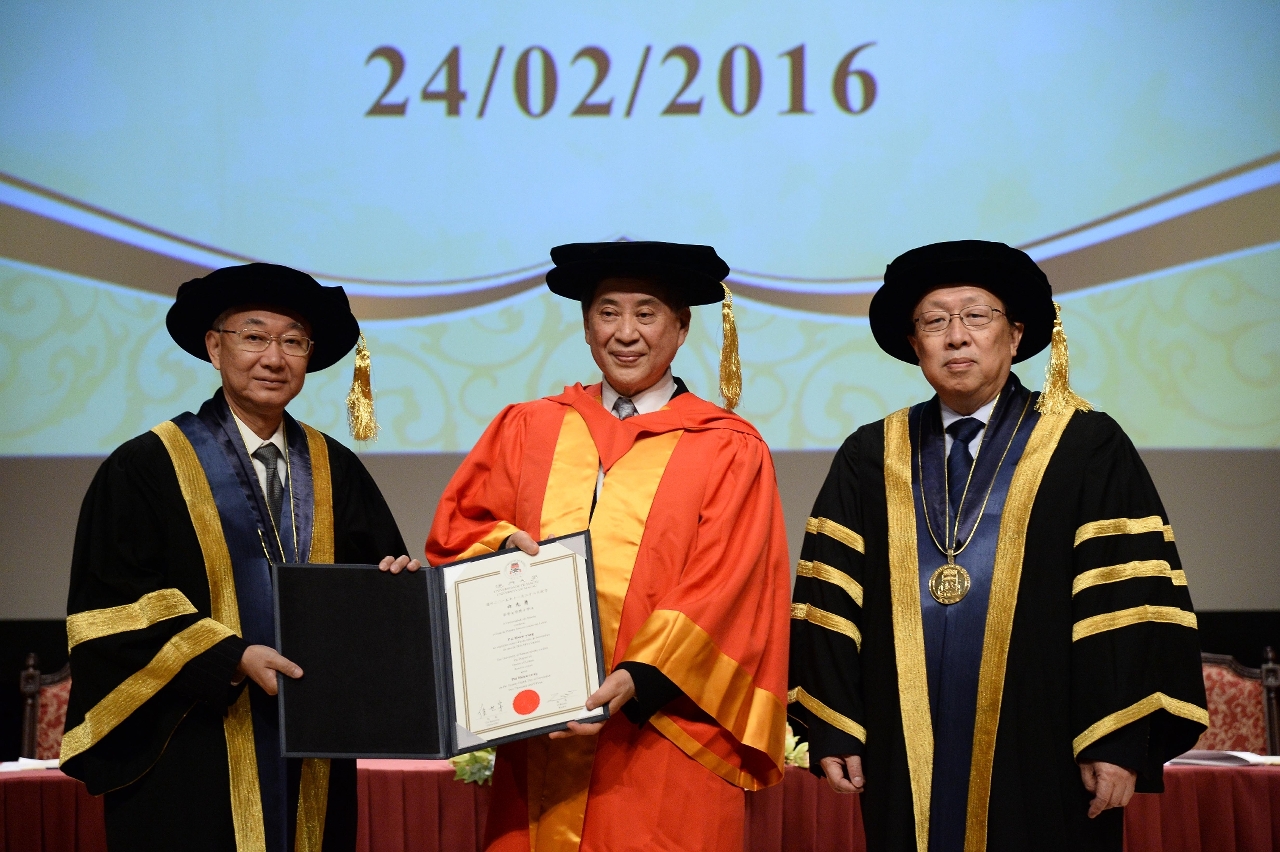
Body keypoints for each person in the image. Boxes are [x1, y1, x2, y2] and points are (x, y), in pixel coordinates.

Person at [787, 241, 1208, 852]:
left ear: (1015, 337)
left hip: (1050, 752)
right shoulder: (869, 455)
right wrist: (835, 729)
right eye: (934, 321)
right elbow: (829, 605)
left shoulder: (1084, 445)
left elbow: (1128, 600)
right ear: (914, 346)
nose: (955, 337)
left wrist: (1116, 740)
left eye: (976, 317)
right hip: (904, 753)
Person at [426, 241, 792, 852]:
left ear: (680, 328)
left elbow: (731, 583)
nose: (626, 333)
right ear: (586, 325)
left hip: (666, 732)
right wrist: (497, 548)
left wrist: (637, 678)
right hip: (539, 734)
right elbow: (458, 530)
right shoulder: (529, 426)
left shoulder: (726, 446)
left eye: (647, 313)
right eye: (607, 312)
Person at [60, 263, 421, 852]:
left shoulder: (339, 471)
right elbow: (114, 612)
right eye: (254, 336)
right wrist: (230, 656)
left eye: (293, 341)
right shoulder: (145, 467)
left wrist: (394, 590)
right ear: (214, 345)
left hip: (314, 748)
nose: (274, 358)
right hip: (190, 751)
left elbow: (374, 590)